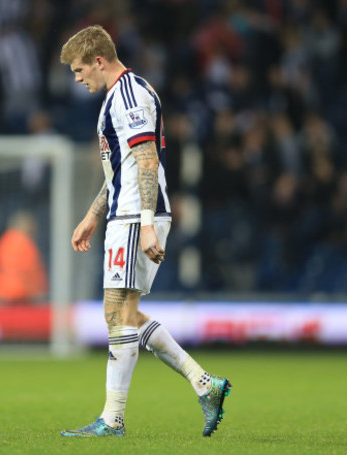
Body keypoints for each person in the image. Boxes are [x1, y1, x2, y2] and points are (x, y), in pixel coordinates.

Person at [59, 25, 231, 438]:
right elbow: (124, 167)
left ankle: (112, 419)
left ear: (99, 60)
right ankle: (205, 384)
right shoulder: (119, 96)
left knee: (115, 312)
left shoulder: (130, 94)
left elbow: (148, 158)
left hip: (137, 216)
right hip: (126, 211)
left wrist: (148, 223)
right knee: (128, 315)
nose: (77, 78)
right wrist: (93, 213)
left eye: (80, 69)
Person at [0, 210, 47, 303]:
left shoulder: (4, 240)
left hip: (3, 289)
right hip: (20, 292)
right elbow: (31, 272)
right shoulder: (26, 243)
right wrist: (39, 292)